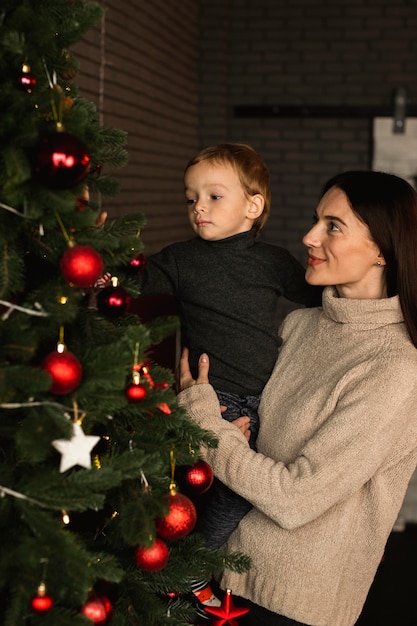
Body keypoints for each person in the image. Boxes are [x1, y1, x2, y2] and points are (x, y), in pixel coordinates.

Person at [177, 170, 417, 626]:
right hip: (217, 575)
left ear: (382, 250)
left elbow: (294, 499)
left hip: (288, 607)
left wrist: (205, 422)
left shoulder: (396, 367)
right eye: (315, 220)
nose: (308, 236)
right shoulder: (300, 326)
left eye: (333, 225)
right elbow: (249, 437)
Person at [138, 143, 321, 614]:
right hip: (215, 400)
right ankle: (191, 568)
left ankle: (191, 568)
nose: (198, 206)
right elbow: (130, 285)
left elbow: (320, 298)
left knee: (254, 495)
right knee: (228, 495)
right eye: (190, 197)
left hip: (269, 400)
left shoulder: (273, 261)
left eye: (214, 196)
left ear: (253, 206)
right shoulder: (179, 260)